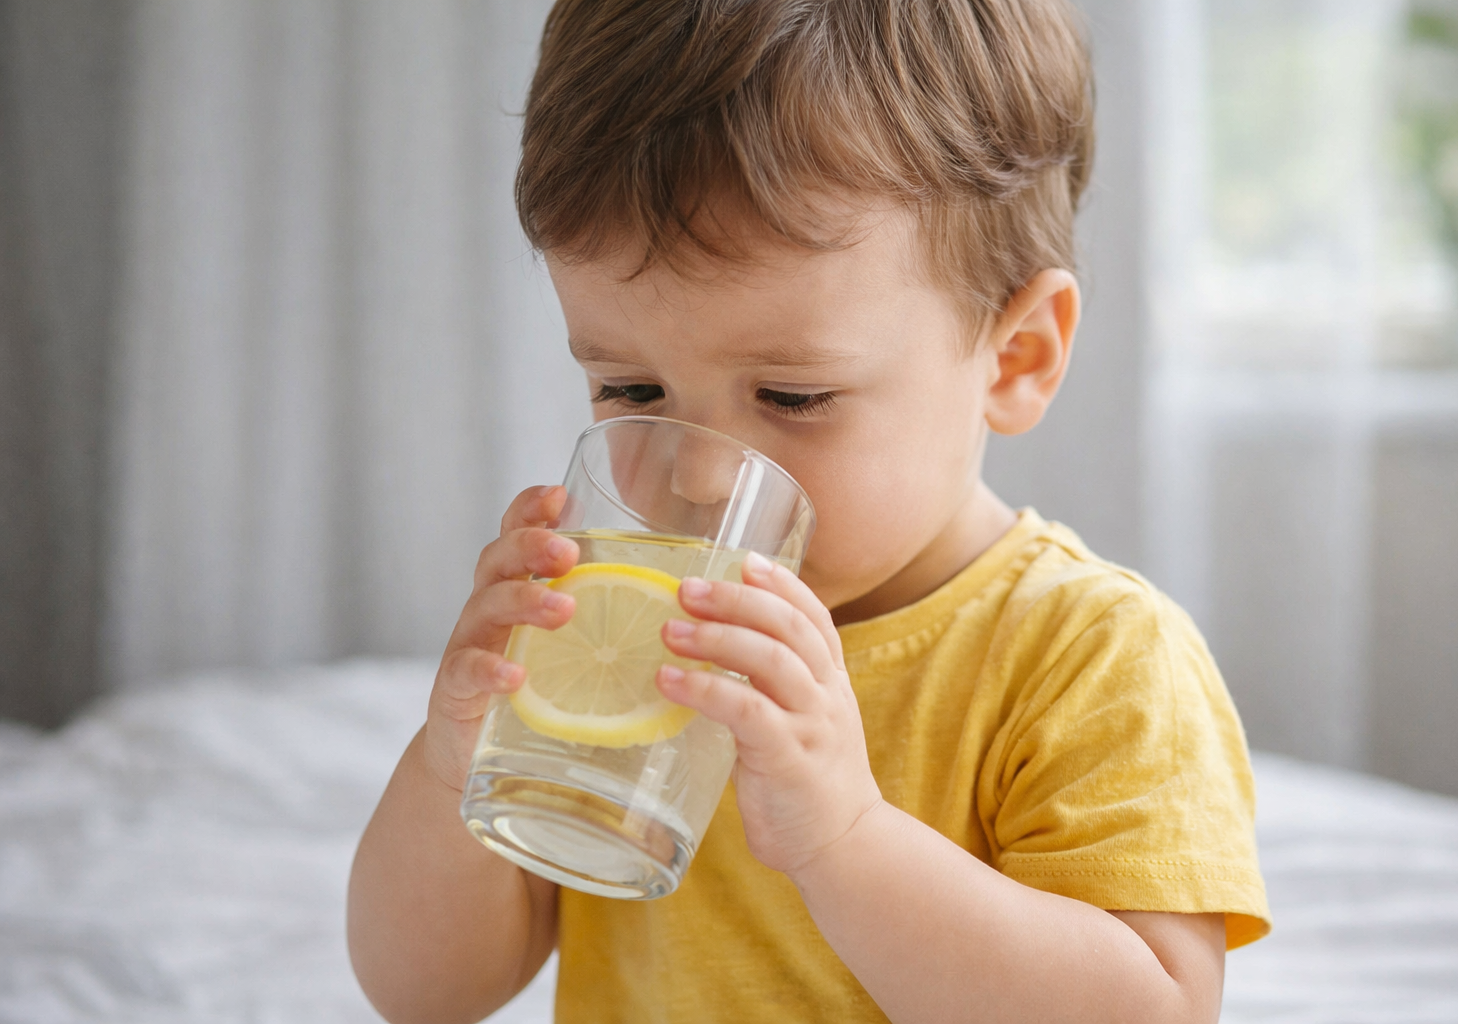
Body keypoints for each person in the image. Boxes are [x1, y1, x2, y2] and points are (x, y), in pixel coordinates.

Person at [347, 1, 1270, 1021]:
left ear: (1016, 357)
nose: (699, 482)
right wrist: (452, 760)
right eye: (630, 390)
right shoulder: (632, 623)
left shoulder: (1091, 657)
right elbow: (424, 993)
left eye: (793, 398)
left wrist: (844, 838)